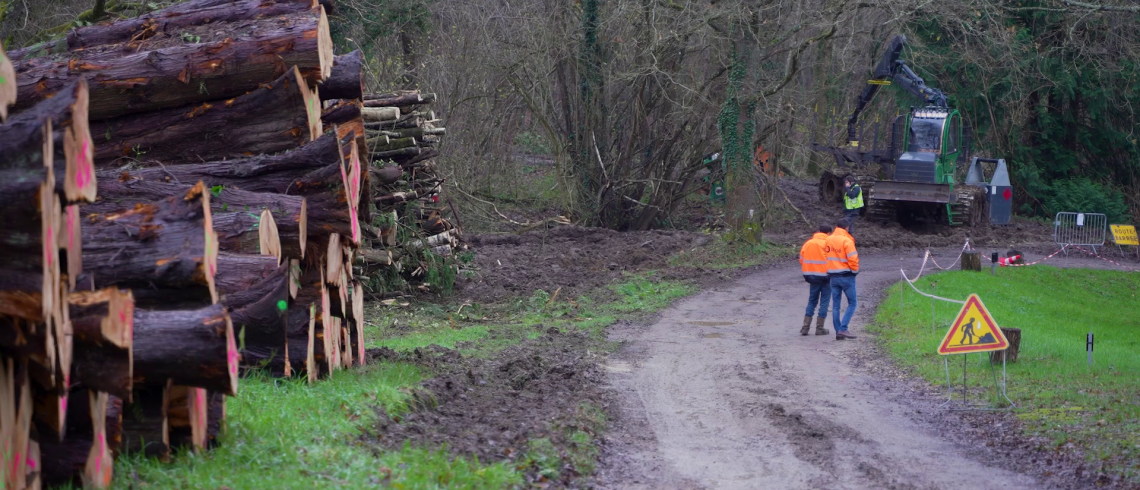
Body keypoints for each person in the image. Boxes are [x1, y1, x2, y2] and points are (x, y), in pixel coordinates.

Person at [826, 218, 859, 340]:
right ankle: (843, 329)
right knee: (852, 302)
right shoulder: (847, 240)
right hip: (846, 276)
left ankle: (838, 332)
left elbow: (826, 256)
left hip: (833, 276)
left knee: (836, 306)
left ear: (836, 226)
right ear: (847, 228)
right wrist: (855, 271)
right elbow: (853, 259)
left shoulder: (828, 239)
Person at [798, 224, 833, 336]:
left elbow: (802, 259)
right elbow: (833, 259)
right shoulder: (828, 243)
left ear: (819, 231)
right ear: (828, 233)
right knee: (824, 301)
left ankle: (805, 327)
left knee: (812, 301)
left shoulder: (808, 243)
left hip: (811, 276)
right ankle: (819, 328)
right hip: (826, 276)